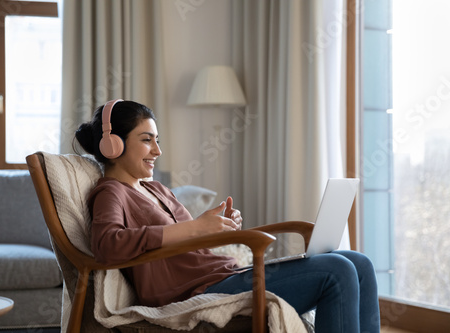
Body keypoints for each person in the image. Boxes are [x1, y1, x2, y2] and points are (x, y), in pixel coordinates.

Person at [74, 99, 380, 333]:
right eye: (146, 139)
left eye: (157, 140)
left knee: (360, 263)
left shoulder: (157, 190)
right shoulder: (111, 192)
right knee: (337, 269)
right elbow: (107, 245)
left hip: (225, 276)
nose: (157, 150)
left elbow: (186, 243)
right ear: (113, 145)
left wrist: (215, 228)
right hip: (196, 292)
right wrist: (195, 228)